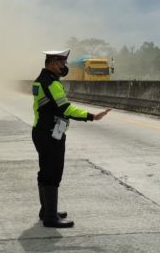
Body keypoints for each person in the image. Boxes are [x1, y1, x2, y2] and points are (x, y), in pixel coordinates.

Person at [32, 50, 110, 228]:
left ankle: (46, 210)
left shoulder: (39, 80)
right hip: (51, 134)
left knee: (45, 171)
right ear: (52, 63)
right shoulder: (52, 84)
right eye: (61, 63)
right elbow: (65, 109)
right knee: (53, 172)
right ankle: (51, 216)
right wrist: (92, 116)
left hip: (40, 131)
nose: (64, 67)